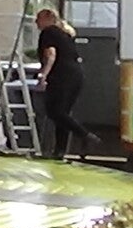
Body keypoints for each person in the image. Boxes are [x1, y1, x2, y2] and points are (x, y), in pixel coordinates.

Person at [35, 8, 92, 159]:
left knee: (54, 111)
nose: (36, 22)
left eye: (38, 18)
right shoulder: (64, 34)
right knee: (63, 113)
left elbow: (51, 54)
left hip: (61, 76)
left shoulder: (48, 32)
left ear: (47, 19)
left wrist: (43, 75)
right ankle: (60, 150)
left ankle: (85, 135)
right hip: (76, 75)